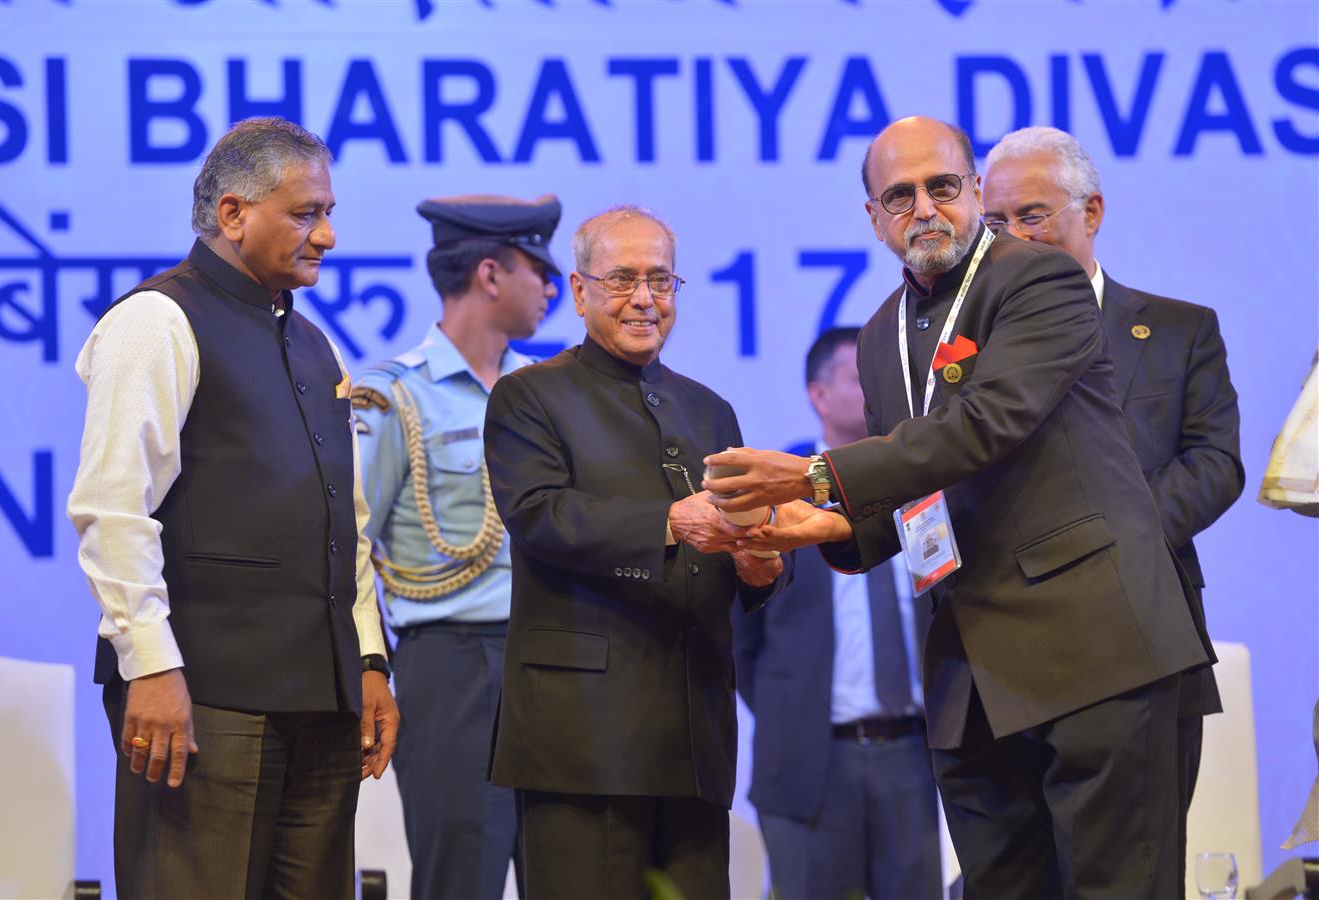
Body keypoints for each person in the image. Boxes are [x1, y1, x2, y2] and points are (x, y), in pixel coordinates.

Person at [703, 116, 1215, 899]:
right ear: (872, 218)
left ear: (975, 192)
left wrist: (814, 477)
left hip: (1092, 650)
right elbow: (910, 492)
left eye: (942, 187)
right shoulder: (879, 334)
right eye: (899, 196)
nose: (925, 209)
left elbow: (984, 427)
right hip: (970, 681)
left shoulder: (1037, 279)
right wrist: (826, 526)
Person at [67, 116, 398, 899]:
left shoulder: (318, 346)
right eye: (306, 212)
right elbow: (114, 511)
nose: (328, 235)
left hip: (320, 703)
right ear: (233, 214)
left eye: (329, 212)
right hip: (202, 701)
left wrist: (371, 661)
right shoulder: (157, 321)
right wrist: (149, 665)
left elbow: (342, 523)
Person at [481, 205, 786, 899]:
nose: (644, 299)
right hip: (582, 740)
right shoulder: (530, 396)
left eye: (661, 280)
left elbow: (740, 539)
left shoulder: (708, 409)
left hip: (695, 736)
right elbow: (538, 515)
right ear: (580, 290)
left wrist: (761, 566)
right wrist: (670, 522)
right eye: (622, 279)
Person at [982, 125, 1245, 893]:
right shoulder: (964, 344)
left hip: (1143, 634)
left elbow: (1214, 462)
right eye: (995, 224)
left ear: (1091, 212)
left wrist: (1105, 546)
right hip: (1008, 652)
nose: (1013, 239)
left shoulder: (1177, 329)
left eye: (1032, 216)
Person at [351, 193, 562, 900]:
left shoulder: (548, 391)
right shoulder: (389, 397)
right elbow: (345, 546)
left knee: (569, 873)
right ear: (492, 276)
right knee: (461, 879)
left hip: (555, 659)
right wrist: (370, 665)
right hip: (454, 663)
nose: (553, 286)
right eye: (539, 269)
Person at [732, 327, 941, 900]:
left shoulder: (921, 493)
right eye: (855, 379)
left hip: (912, 757)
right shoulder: (774, 503)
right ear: (817, 395)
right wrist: (789, 709)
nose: (869, 393)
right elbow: (741, 641)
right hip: (808, 762)